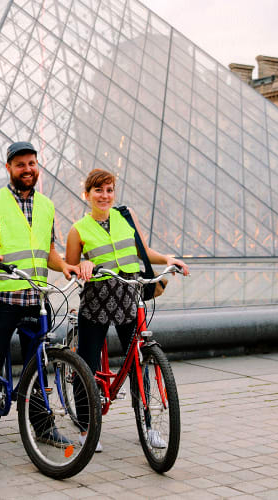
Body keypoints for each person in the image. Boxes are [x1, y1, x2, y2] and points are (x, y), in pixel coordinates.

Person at [0, 141, 81, 464]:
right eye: (20, 164)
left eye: (32, 163)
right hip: (2, 299)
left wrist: (66, 266)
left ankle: (42, 427)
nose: (27, 169)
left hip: (35, 299)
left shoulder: (46, 206)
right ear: (8, 168)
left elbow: (49, 253)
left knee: (38, 366)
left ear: (37, 166)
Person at [65, 168, 190, 452]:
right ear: (87, 195)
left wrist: (169, 258)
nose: (105, 195)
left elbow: (144, 252)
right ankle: (86, 428)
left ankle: (147, 427)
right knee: (87, 364)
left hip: (128, 296)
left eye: (109, 190)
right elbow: (70, 269)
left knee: (139, 363)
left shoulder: (125, 218)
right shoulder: (78, 230)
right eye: (98, 190)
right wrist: (82, 267)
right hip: (97, 300)